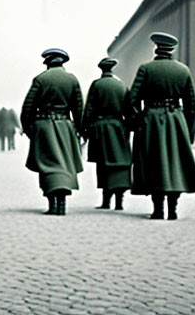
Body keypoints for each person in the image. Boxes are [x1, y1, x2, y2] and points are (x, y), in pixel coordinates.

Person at [127, 33, 195, 219]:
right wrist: (188, 131)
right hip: (176, 121)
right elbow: (191, 105)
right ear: (172, 51)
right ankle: (173, 209)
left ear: (156, 49)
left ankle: (158, 209)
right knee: (175, 164)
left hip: (151, 120)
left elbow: (132, 100)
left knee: (155, 163)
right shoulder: (183, 70)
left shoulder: (145, 68)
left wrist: (138, 121)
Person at [20, 48, 84, 215]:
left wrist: (29, 129)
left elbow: (28, 108)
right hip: (65, 126)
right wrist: (79, 129)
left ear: (47, 62)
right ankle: (62, 204)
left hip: (44, 126)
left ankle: (52, 204)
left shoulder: (41, 79)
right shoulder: (72, 79)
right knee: (63, 165)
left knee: (47, 165)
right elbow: (78, 108)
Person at [82, 57, 131, 210]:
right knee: (120, 164)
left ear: (102, 70)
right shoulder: (121, 85)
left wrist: (85, 130)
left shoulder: (97, 85)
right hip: (118, 127)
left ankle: (106, 201)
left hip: (100, 128)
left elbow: (89, 108)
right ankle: (119, 202)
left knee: (103, 165)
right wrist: (127, 129)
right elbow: (129, 111)